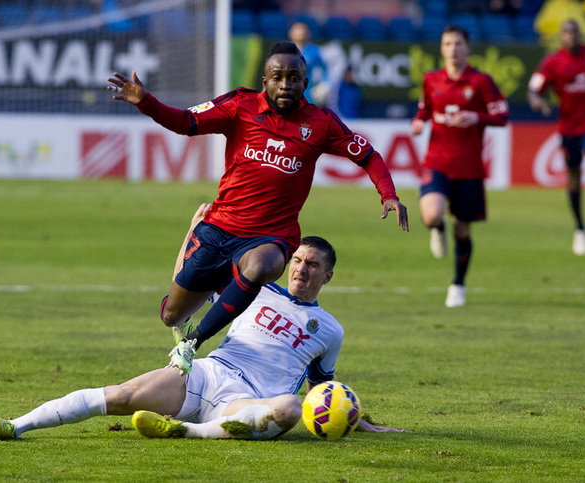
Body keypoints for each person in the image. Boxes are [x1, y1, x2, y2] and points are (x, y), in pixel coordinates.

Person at [107, 41, 409, 375]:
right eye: (277, 76)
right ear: (264, 80)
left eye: (293, 77)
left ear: (305, 83)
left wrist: (388, 195)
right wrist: (146, 102)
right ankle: (210, 294)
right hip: (220, 227)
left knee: (263, 265)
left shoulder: (321, 123)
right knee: (170, 316)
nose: (285, 84)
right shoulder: (240, 105)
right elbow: (186, 122)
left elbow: (368, 155)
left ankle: (193, 342)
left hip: (271, 236)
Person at [0, 209, 405, 441]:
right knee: (122, 394)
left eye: (312, 265)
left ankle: (188, 431)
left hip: (249, 399)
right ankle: (15, 425)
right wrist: (190, 235)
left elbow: (320, 386)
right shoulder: (254, 286)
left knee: (290, 409)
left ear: (327, 276)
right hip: (205, 374)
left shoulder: (330, 330)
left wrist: (356, 419)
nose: (301, 269)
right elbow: (189, 285)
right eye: (297, 260)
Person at [410, 25, 509, 308]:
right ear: (441, 48)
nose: (453, 49)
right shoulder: (431, 79)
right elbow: (424, 109)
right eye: (448, 44)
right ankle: (436, 228)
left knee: (463, 232)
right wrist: (418, 122)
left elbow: (502, 116)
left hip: (469, 168)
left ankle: (458, 284)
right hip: (437, 161)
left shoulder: (481, 82)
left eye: (458, 44)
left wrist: (476, 117)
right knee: (431, 215)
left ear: (468, 48)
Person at [528, 19, 585, 255]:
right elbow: (533, 89)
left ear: (580, 34)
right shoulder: (552, 62)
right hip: (569, 127)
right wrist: (537, 101)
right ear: (560, 36)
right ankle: (580, 227)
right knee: (574, 177)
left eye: (575, 32)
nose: (572, 36)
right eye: (567, 32)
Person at [288, 21, 328, 106]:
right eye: (298, 29)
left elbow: (326, 71)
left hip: (309, 94)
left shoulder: (316, 52)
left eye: (303, 29)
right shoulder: (284, 50)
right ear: (291, 33)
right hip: (289, 92)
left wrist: (325, 85)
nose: (301, 32)